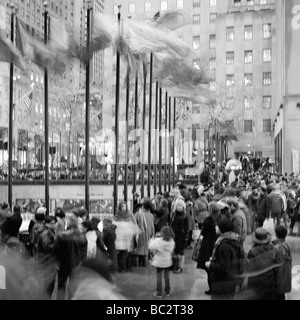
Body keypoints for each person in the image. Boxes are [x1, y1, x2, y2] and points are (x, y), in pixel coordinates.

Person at [205, 219, 243, 300]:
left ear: (223, 229)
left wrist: (210, 265)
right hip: (231, 280)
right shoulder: (234, 239)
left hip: (222, 282)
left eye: (218, 226)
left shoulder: (224, 245)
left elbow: (224, 267)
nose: (216, 227)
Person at [53, 215, 88, 300]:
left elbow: (55, 250)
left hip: (62, 264)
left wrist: (56, 262)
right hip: (76, 264)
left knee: (61, 286)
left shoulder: (61, 235)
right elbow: (84, 253)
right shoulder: (82, 236)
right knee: (74, 287)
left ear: (68, 223)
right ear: (77, 224)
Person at [246, 228, 281, 300]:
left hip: (256, 285)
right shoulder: (275, 250)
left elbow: (249, 269)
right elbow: (277, 270)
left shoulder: (252, 251)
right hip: (270, 283)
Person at [196, 201, 221, 295]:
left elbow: (202, 233)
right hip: (217, 242)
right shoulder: (220, 218)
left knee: (208, 267)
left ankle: (211, 288)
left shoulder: (208, 220)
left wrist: (198, 243)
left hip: (207, 245)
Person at [149, 226, 175, 298]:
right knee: (167, 276)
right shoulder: (172, 241)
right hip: (167, 261)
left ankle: (159, 292)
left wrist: (153, 239)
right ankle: (168, 291)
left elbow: (151, 247)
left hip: (159, 261)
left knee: (159, 276)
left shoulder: (158, 241)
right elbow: (171, 250)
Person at [271, 225, 292, 300]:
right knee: (281, 296)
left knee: (276, 297)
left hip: (278, 280)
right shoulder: (287, 245)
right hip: (285, 277)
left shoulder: (276, 249)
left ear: (276, 234)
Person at [170, 201, 189, 274]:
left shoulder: (185, 216)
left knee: (181, 251)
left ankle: (180, 267)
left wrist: (186, 236)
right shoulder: (174, 215)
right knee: (175, 251)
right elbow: (171, 224)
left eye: (180, 206)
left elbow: (187, 227)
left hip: (181, 236)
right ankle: (175, 265)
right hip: (175, 235)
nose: (179, 208)